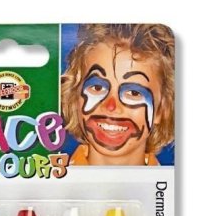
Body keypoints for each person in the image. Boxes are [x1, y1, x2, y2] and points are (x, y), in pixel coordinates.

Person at [61, 24, 174, 166]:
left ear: (162, 110)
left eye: (133, 93)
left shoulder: (171, 179)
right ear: (75, 95)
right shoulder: (46, 177)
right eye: (97, 87)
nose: (111, 106)